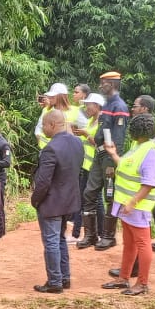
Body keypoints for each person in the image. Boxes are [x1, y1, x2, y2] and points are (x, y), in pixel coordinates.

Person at [99, 114, 155, 296]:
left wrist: (133, 202)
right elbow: (126, 167)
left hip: (137, 207)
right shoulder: (137, 147)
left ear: (137, 131)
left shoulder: (150, 152)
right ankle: (123, 278)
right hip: (126, 205)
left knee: (142, 244)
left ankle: (142, 283)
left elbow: (149, 183)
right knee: (129, 243)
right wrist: (113, 154)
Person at [31, 110, 85, 293]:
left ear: (52, 125)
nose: (43, 128)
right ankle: (64, 277)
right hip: (69, 200)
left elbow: (43, 181)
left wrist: (35, 200)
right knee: (60, 238)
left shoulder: (50, 148)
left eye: (44, 125)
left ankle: (55, 281)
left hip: (52, 203)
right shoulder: (78, 143)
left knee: (52, 241)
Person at [78, 71, 129, 251]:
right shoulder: (107, 104)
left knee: (110, 195)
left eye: (104, 83)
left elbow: (119, 138)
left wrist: (113, 159)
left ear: (113, 84)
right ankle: (91, 235)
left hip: (109, 157)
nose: (100, 86)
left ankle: (109, 236)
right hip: (98, 155)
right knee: (89, 193)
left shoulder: (119, 106)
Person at [70, 91, 103, 242]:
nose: (86, 109)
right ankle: (86, 232)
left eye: (88, 105)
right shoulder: (90, 122)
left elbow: (102, 144)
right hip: (86, 165)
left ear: (96, 106)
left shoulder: (102, 123)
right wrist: (78, 133)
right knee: (86, 198)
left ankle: (101, 232)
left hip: (95, 167)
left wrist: (86, 135)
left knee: (95, 199)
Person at [34, 83, 86, 150]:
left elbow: (85, 130)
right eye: (50, 96)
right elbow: (38, 129)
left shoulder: (76, 111)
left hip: (68, 153)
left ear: (61, 96)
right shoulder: (46, 110)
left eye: (53, 96)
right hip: (48, 151)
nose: (50, 98)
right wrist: (39, 140)